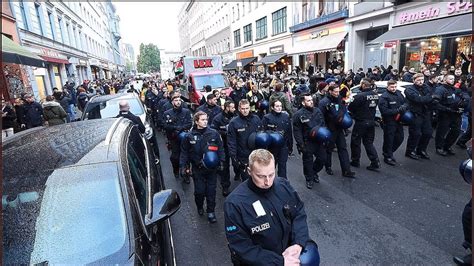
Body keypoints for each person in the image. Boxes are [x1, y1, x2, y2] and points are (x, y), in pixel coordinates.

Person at [224, 149, 311, 265]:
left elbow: (298, 213)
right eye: (261, 176)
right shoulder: (234, 204)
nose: (267, 182)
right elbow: (241, 246)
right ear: (249, 171)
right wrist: (279, 262)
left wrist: (298, 243)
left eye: (271, 174)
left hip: (288, 258)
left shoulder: (283, 186)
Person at [180, 111, 225, 223]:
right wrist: (183, 166)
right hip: (198, 169)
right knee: (200, 191)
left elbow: (220, 149)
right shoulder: (189, 136)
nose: (205, 122)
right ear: (196, 121)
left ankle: (211, 212)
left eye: (206, 119)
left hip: (211, 169)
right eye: (202, 120)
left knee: (211, 191)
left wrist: (222, 162)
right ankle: (199, 205)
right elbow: (184, 153)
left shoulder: (214, 133)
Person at [318, 85, 355, 178]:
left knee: (343, 148)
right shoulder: (324, 102)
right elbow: (320, 117)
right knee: (328, 149)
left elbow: (343, 110)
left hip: (339, 128)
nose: (337, 93)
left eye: (338, 91)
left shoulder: (339, 99)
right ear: (330, 91)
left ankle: (346, 170)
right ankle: (328, 167)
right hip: (329, 129)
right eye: (335, 91)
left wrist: (343, 121)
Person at [293, 94, 327, 188]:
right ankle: (309, 178)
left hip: (319, 140)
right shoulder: (298, 114)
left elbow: (323, 124)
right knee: (308, 161)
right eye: (308, 100)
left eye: (312, 100)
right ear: (303, 103)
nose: (311, 102)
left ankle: (314, 172)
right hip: (307, 141)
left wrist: (325, 136)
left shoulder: (318, 111)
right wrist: (301, 144)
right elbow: (297, 131)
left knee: (322, 159)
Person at [348, 79, 381, 171]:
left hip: (361, 122)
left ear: (363, 85)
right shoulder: (375, 95)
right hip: (371, 121)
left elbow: (351, 107)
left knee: (355, 141)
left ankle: (355, 160)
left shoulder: (360, 96)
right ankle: (375, 161)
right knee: (369, 142)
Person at [433, 74, 468, 156]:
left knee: (456, 131)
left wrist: (464, 101)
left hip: (456, 114)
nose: (453, 80)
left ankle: (447, 146)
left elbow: (464, 96)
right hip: (445, 114)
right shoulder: (440, 90)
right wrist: (446, 109)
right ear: (445, 80)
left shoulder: (455, 89)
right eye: (450, 79)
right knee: (442, 132)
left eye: (453, 79)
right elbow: (435, 103)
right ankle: (439, 147)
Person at [227, 99, 262, 181]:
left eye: (247, 108)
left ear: (249, 108)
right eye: (243, 109)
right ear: (239, 109)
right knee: (246, 179)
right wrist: (234, 157)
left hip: (256, 153)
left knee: (257, 177)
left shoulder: (256, 119)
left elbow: (261, 134)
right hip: (243, 155)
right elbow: (231, 141)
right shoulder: (234, 123)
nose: (245, 111)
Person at [404, 73, 437, 160]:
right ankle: (410, 151)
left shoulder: (426, 87)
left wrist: (428, 97)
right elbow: (419, 100)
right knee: (415, 134)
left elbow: (429, 97)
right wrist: (429, 97)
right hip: (415, 114)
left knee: (428, 133)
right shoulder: (409, 89)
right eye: (418, 80)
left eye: (422, 80)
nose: (421, 82)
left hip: (425, 113)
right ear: (414, 80)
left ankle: (421, 150)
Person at [211, 100, 238, 196]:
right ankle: (225, 186)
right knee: (224, 166)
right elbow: (213, 131)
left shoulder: (236, 116)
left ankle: (237, 174)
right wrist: (224, 133)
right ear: (227, 108)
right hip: (223, 146)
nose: (234, 109)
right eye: (232, 107)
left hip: (235, 145)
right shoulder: (218, 119)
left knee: (237, 163)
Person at [163, 93, 193, 178]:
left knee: (186, 156)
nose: (178, 102)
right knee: (175, 157)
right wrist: (175, 128)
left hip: (184, 136)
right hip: (173, 138)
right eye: (176, 100)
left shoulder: (186, 112)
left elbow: (189, 123)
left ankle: (186, 174)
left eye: (179, 100)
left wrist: (180, 129)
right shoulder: (167, 113)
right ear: (172, 102)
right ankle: (176, 170)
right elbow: (165, 126)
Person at [378, 80, 407, 165]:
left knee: (400, 138)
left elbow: (405, 102)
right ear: (387, 87)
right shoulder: (384, 97)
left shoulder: (398, 93)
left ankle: (389, 152)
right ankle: (388, 156)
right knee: (389, 140)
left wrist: (404, 107)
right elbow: (384, 111)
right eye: (392, 87)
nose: (394, 88)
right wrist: (397, 110)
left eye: (395, 87)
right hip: (389, 121)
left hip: (399, 120)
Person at [262, 99, 293, 179]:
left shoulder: (285, 116)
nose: (279, 108)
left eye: (280, 106)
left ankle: (283, 185)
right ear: (272, 107)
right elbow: (262, 132)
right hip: (272, 147)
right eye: (277, 106)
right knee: (271, 167)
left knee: (282, 167)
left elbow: (289, 132)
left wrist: (290, 147)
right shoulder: (267, 118)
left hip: (283, 146)